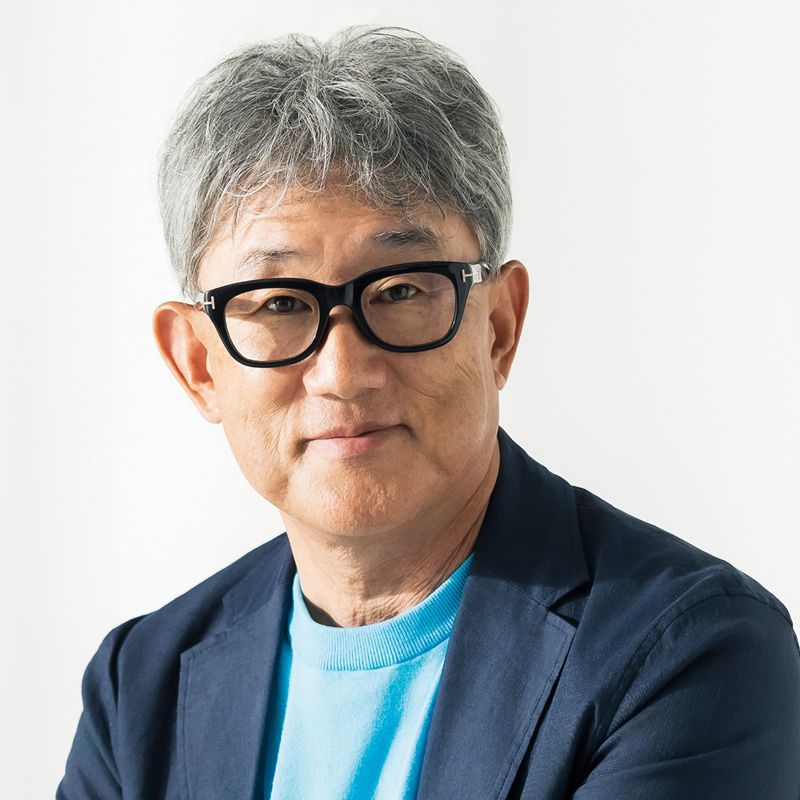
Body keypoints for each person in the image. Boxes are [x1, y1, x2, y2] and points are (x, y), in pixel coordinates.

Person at [57, 24, 800, 800]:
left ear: (500, 326)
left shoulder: (690, 653)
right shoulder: (138, 691)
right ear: (197, 364)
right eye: (278, 303)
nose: (343, 374)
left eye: (402, 290)